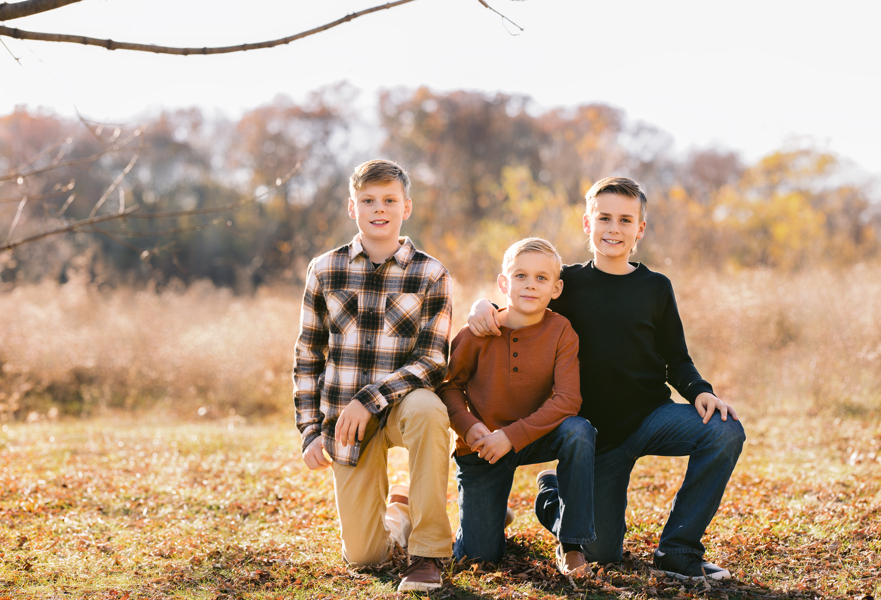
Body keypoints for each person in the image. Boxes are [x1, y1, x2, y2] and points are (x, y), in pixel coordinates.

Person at [468, 177, 745, 581]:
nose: (614, 229)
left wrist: (701, 391)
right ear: (587, 223)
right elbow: (523, 301)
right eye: (605, 218)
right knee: (602, 554)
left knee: (724, 431)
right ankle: (554, 495)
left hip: (651, 418)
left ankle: (679, 551)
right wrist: (484, 304)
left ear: (640, 229)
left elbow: (676, 359)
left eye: (625, 220)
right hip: (595, 439)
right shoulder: (568, 284)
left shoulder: (655, 287)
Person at [294, 159, 454, 593]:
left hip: (403, 405)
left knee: (428, 410)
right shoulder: (325, 270)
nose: (378, 208)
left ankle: (429, 554)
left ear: (407, 207)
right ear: (352, 207)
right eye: (368, 200)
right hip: (346, 422)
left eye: (389, 200)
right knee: (364, 556)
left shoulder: (430, 273)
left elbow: (433, 360)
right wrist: (310, 430)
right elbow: (308, 354)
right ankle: (399, 513)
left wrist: (371, 398)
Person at [439, 238, 597, 577]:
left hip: (535, 436)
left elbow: (568, 399)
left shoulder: (561, 331)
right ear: (503, 283)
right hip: (482, 446)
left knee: (579, 432)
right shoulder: (477, 331)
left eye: (542, 278)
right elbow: (448, 386)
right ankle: (492, 512)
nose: (530, 284)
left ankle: (570, 542)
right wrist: (469, 427)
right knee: (478, 559)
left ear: (556, 288)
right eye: (521, 275)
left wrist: (512, 436)